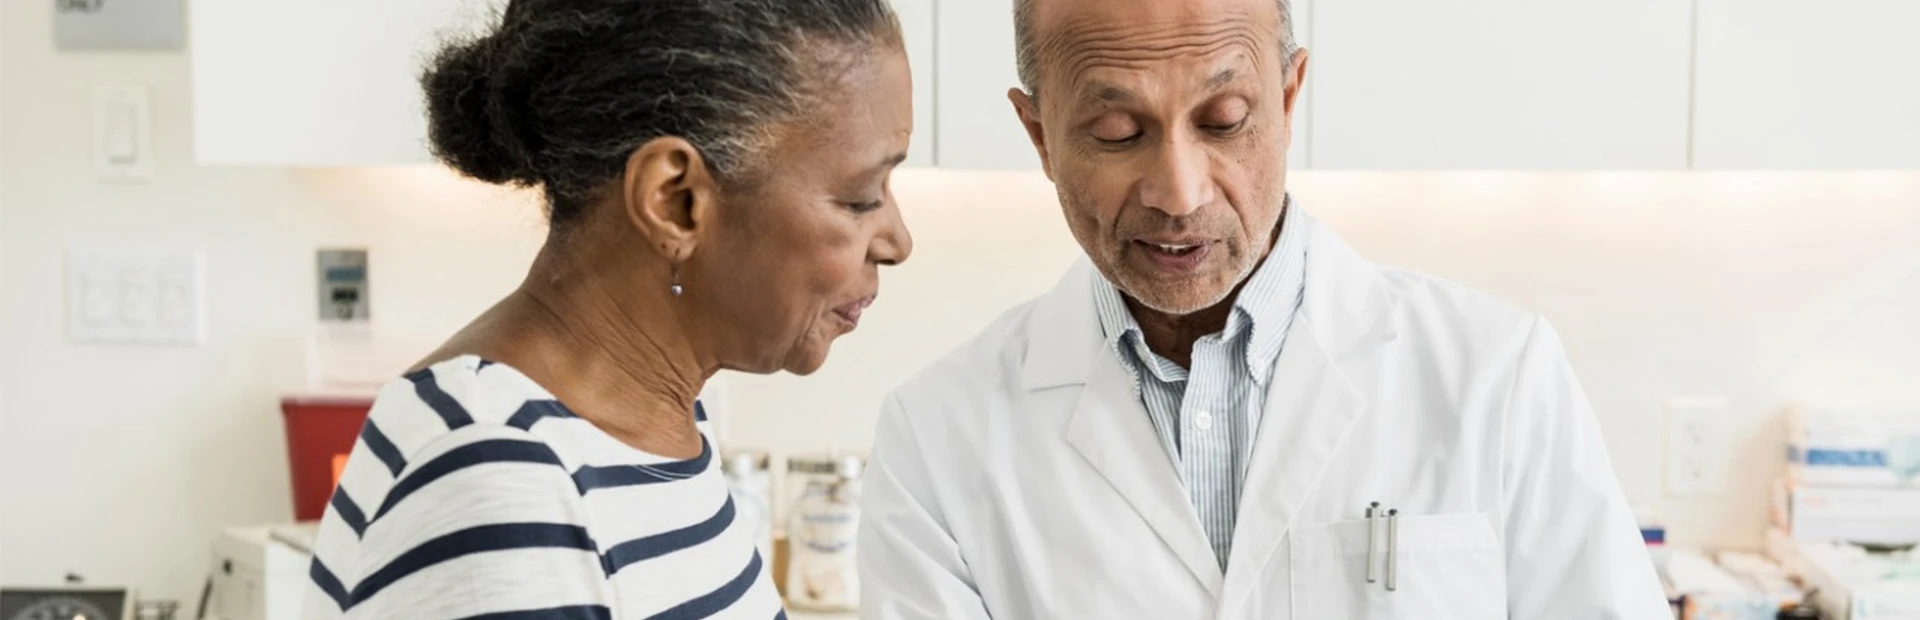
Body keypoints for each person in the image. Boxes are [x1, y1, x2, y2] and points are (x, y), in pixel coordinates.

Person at [856, 0, 1668, 617]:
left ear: (1288, 95)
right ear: (1039, 135)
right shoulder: (936, 441)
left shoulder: (1499, 376)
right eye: (1114, 131)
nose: (1179, 191)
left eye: (1225, 121)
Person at [301, 0, 914, 617]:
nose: (898, 242)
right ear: (676, 202)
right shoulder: (499, 474)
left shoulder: (654, 430)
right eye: (862, 198)